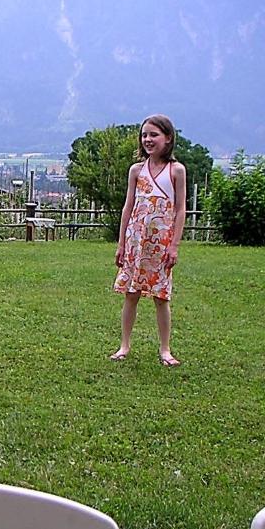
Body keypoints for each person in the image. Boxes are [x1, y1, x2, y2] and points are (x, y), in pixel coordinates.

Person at [110, 114, 187, 366]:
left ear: (168, 138)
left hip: (161, 244)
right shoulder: (136, 170)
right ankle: (124, 345)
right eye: (144, 135)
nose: (148, 140)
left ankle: (165, 349)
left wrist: (174, 245)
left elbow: (180, 209)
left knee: (161, 297)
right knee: (131, 294)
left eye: (154, 135)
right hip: (136, 242)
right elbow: (128, 207)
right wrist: (121, 243)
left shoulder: (176, 170)